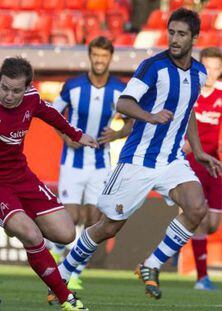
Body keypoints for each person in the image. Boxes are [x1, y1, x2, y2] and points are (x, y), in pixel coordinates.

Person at [50, 7, 222, 303]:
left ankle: (151, 265)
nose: (174, 39)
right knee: (108, 226)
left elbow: (187, 111)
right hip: (138, 161)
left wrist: (198, 150)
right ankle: (63, 273)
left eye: (181, 34)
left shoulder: (198, 73)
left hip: (170, 160)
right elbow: (125, 103)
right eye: (171, 32)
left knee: (196, 208)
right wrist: (149, 115)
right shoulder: (153, 67)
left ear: (194, 37)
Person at [0, 56, 98, 310]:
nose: (8, 95)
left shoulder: (32, 99)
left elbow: (50, 113)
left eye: (16, 91)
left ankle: (14, 222)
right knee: (31, 235)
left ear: (27, 88)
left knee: (66, 233)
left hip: (20, 176)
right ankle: (65, 297)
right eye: (4, 87)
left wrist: (76, 135)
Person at [48, 36, 133, 290]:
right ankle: (55, 249)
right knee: (71, 218)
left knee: (95, 218)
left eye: (104, 56)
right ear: (90, 56)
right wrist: (65, 136)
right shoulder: (73, 86)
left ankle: (73, 271)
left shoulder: (119, 90)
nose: (99, 60)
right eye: (95, 55)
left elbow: (132, 121)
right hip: (72, 162)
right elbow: (52, 114)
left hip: (100, 164)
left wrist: (117, 134)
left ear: (110, 58)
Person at [184, 47, 222, 291]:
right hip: (193, 164)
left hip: (216, 166)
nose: (211, 72)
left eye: (216, 68)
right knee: (198, 218)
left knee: (213, 224)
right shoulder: (191, 94)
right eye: (207, 67)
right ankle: (201, 277)